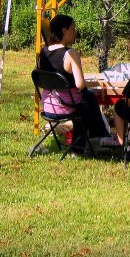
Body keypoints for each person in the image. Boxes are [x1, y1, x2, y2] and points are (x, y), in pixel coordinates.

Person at [37, 14, 112, 153]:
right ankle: (85, 145)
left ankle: (95, 140)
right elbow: (80, 84)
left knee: (87, 99)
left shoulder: (43, 53)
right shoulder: (70, 54)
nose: (75, 32)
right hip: (66, 108)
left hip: (48, 107)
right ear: (64, 30)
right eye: (73, 28)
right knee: (87, 101)